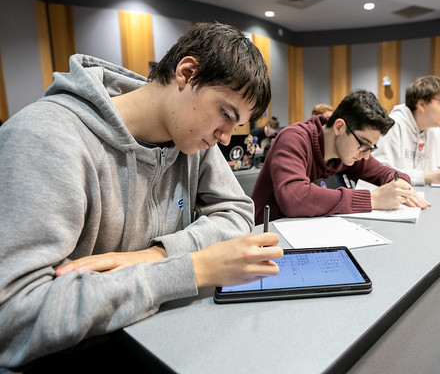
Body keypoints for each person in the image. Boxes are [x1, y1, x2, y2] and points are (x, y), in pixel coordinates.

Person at [0, 22, 285, 370]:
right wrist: (192, 270)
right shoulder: (44, 137)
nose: (226, 138)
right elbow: (13, 316)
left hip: (158, 342)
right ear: (187, 72)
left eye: (236, 124)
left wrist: (157, 254)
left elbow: (238, 214)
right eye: (226, 114)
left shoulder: (194, 141)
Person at [251, 90, 430, 225]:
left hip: (306, 229)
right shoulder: (293, 138)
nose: (366, 155)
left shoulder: (348, 153)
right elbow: (295, 198)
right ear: (339, 128)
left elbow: (384, 172)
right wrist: (372, 199)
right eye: (364, 144)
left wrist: (399, 184)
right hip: (270, 235)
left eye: (372, 147)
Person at [372, 75, 440, 186]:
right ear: (421, 104)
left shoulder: (434, 129)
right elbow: (380, 172)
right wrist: (426, 177)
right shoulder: (393, 126)